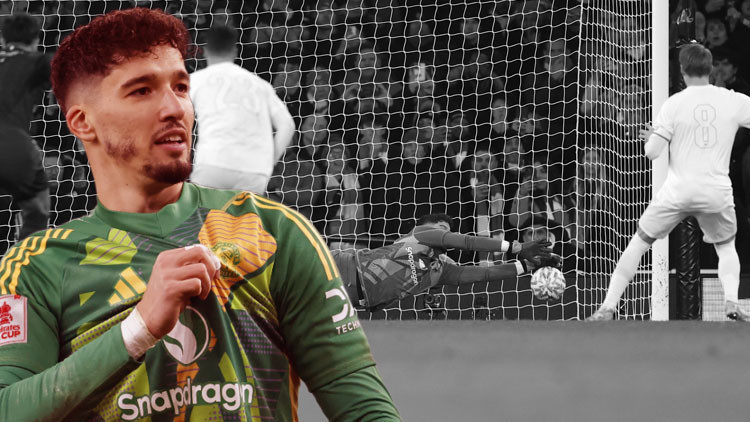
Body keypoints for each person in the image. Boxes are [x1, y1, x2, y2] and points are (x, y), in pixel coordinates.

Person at [0, 8, 400, 421]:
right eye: (142, 90)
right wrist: (137, 330)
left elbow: (363, 408)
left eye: (180, 86)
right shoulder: (36, 267)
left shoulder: (277, 232)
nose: (175, 108)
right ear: (84, 122)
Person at [589, 43, 750, 321]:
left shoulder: (673, 104)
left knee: (638, 244)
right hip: (716, 191)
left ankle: (608, 307)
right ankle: (731, 302)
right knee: (725, 247)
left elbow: (652, 153)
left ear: (682, 70)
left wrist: (656, 136)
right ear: (710, 69)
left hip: (678, 191)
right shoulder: (733, 100)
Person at [332, 213, 558, 311]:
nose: (446, 234)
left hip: (351, 301)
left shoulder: (440, 269)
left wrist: (526, 266)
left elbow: (483, 274)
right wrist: (516, 247)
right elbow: (467, 242)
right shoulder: (420, 234)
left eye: (448, 231)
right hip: (340, 269)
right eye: (442, 229)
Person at [190, 23, 295, 194]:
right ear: (235, 52)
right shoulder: (260, 85)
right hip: (254, 170)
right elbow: (287, 126)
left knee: (204, 212)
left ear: (205, 51)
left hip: (214, 162)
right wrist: (270, 161)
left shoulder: (195, 80)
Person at [0, 13, 50, 253]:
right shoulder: (37, 61)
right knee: (37, 209)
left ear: (3, 39)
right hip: (11, 145)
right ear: (36, 39)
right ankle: (21, 266)